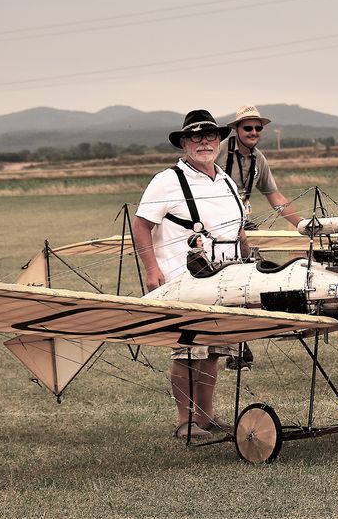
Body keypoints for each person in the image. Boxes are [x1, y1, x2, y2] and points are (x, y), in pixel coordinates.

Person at [132, 109, 249, 440]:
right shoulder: (167, 180)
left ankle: (207, 417)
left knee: (212, 349)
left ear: (220, 140)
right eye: (196, 137)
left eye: (210, 136)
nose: (204, 142)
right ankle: (186, 421)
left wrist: (249, 257)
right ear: (184, 142)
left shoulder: (225, 179)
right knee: (187, 350)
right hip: (182, 277)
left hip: (225, 277)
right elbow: (141, 226)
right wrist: (152, 269)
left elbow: (238, 230)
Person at [216, 105, 303, 370]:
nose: (253, 132)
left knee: (254, 278)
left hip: (244, 224)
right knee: (227, 283)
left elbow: (274, 196)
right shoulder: (219, 150)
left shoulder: (258, 159)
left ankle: (239, 345)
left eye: (257, 128)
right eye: (247, 128)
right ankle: (234, 347)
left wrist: (301, 224)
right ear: (236, 130)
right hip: (216, 227)